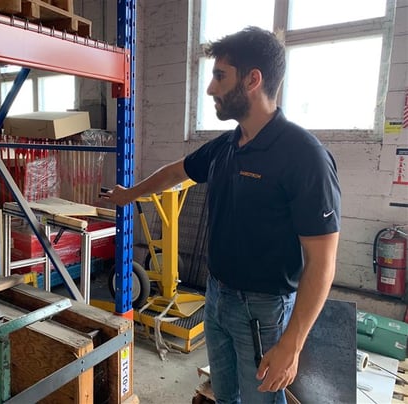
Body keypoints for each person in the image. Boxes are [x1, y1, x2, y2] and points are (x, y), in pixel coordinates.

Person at [103, 26, 341, 404]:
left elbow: (322, 262)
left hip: (263, 310)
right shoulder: (227, 146)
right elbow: (176, 171)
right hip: (217, 296)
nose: (211, 88)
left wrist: (292, 346)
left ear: (253, 79)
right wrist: (130, 195)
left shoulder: (303, 156)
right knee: (224, 396)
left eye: (219, 76)